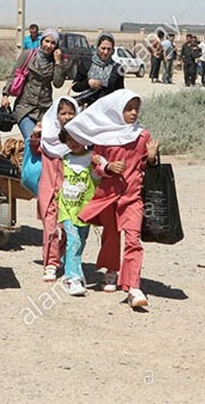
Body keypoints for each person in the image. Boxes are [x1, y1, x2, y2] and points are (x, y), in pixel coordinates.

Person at [66, 89, 159, 308]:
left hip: (132, 196)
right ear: (118, 110)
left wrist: (153, 158)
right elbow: (95, 160)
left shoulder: (142, 135)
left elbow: (146, 163)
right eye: (128, 108)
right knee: (111, 235)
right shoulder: (104, 135)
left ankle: (133, 287)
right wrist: (107, 166)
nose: (133, 113)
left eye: (136, 108)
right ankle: (111, 270)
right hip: (108, 195)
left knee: (133, 239)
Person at [29, 96, 79, 282]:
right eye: (63, 113)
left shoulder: (79, 140)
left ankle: (64, 260)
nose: (66, 117)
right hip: (48, 190)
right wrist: (35, 135)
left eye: (70, 113)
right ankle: (50, 264)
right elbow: (34, 150)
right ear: (56, 115)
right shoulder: (47, 136)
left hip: (70, 192)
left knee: (66, 228)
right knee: (50, 228)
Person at [0, 28, 69, 140]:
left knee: (44, 142)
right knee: (30, 139)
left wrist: (58, 62)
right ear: (41, 41)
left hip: (44, 109)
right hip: (25, 107)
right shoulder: (28, 55)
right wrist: (5, 95)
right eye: (47, 41)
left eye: (52, 43)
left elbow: (57, 83)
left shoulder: (54, 61)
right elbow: (14, 75)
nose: (49, 45)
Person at [57, 127, 98, 296]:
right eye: (68, 140)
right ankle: (71, 279)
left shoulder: (93, 158)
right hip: (66, 208)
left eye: (76, 138)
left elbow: (98, 178)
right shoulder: (64, 159)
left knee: (80, 240)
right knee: (74, 241)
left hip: (85, 210)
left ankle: (69, 264)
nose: (72, 143)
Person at [71, 32, 124, 107]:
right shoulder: (86, 63)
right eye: (103, 48)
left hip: (107, 109)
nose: (106, 52)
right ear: (97, 47)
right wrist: (88, 83)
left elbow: (120, 93)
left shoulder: (117, 68)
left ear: (113, 50)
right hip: (87, 108)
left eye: (109, 49)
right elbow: (75, 87)